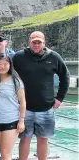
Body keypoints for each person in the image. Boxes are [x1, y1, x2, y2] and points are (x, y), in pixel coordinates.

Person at [13, 31, 69, 160]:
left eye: (39, 42)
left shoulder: (54, 57)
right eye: (34, 42)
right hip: (24, 108)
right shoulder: (19, 57)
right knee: (25, 139)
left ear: (44, 43)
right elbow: (9, 75)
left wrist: (60, 98)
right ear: (29, 43)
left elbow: (65, 77)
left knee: (43, 139)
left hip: (47, 108)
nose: (36, 45)